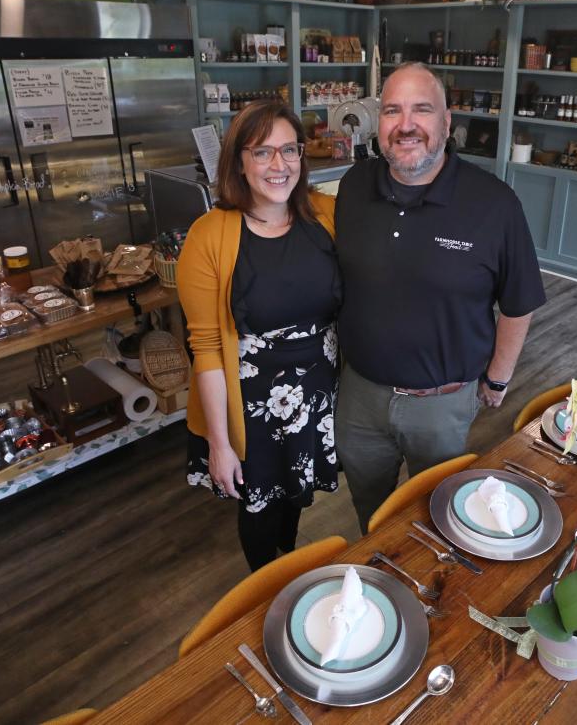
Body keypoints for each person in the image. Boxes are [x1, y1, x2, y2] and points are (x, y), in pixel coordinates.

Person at [334, 62, 547, 533]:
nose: (406, 125)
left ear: (446, 123)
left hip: (441, 403)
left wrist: (497, 378)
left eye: (421, 110)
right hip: (359, 396)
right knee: (371, 514)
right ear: (378, 122)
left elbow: (519, 299)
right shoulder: (353, 188)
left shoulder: (492, 203)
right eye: (392, 110)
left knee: (440, 517)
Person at [178, 101, 341, 570]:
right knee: (258, 505)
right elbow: (206, 348)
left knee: (295, 497)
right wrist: (220, 442)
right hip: (248, 404)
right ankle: (265, 586)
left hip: (316, 394)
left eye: (289, 150)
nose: (279, 165)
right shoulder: (209, 235)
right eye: (263, 152)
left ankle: (285, 570)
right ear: (239, 162)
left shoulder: (326, 216)